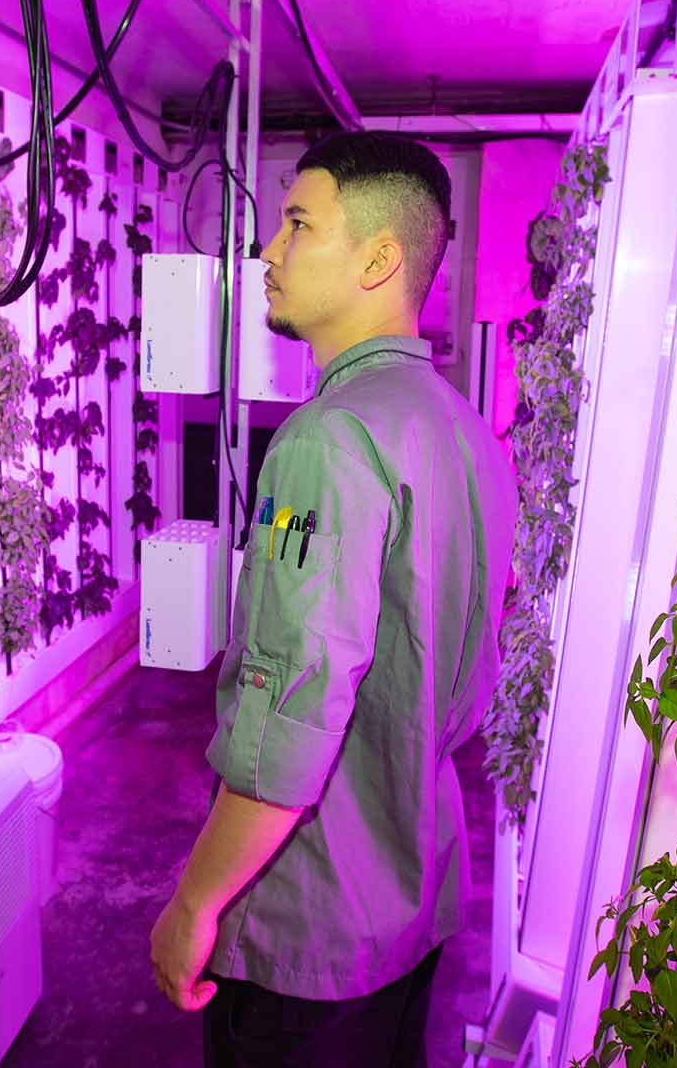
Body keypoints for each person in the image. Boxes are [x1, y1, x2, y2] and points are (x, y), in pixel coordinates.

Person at [149, 131, 520, 1066]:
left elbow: (287, 725)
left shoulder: (326, 441)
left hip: (310, 933)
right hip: (417, 891)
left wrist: (194, 901)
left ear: (379, 258)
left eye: (297, 223)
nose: (269, 250)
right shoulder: (462, 427)